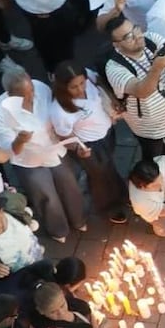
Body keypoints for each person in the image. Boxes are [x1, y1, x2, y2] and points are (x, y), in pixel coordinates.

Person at [0, 69, 86, 242]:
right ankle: (58, 229)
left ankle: (78, 219)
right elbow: (9, 150)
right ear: (9, 94)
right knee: (46, 196)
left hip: (55, 148)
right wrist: (20, 140)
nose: (31, 96)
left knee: (69, 184)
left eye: (31, 90)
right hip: (29, 159)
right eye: (23, 95)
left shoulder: (42, 88)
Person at [102, 16, 165, 166]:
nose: (137, 36)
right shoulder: (114, 67)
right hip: (149, 128)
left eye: (136, 29)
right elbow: (141, 91)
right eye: (128, 37)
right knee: (153, 157)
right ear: (116, 45)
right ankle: (155, 180)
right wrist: (156, 68)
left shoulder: (151, 39)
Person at [50, 62, 131, 226]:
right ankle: (109, 207)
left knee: (108, 167)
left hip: (106, 134)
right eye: (74, 87)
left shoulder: (88, 76)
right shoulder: (59, 111)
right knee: (99, 177)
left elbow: (98, 80)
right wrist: (78, 148)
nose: (80, 89)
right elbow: (64, 136)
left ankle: (121, 194)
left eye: (82, 83)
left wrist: (112, 98)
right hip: (90, 145)